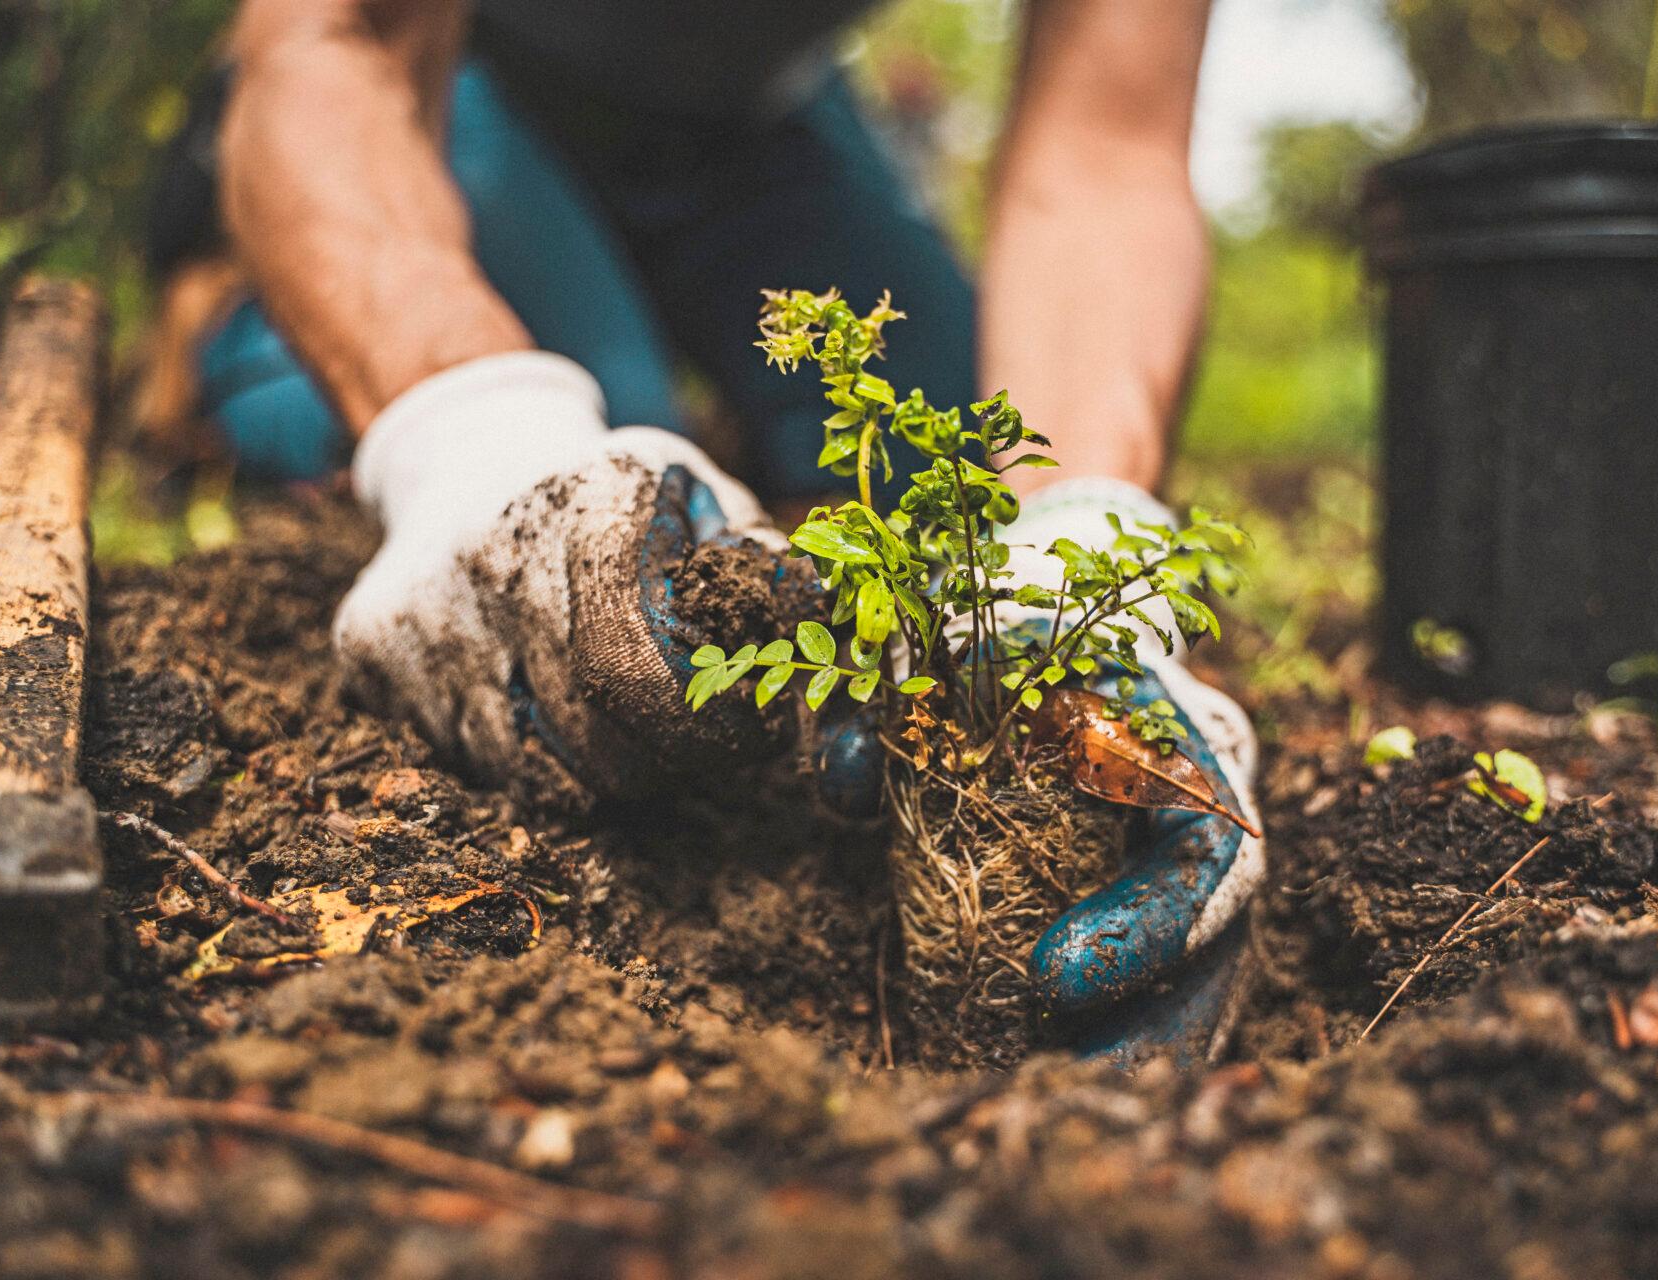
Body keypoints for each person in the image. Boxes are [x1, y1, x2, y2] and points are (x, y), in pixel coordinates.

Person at [152, 0, 1264, 1064]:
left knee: (957, 466)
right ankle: (235, 313)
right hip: (461, 81)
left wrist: (1081, 531)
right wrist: (466, 422)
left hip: (754, 118)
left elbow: (1106, 153)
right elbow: (340, 37)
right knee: (616, 445)